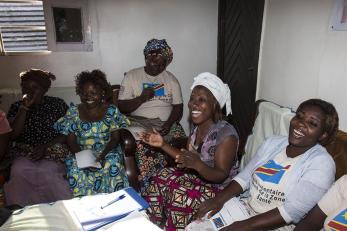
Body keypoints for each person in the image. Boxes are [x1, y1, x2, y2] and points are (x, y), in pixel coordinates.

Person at [190, 98, 339, 231]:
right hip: (245, 208)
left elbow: (290, 212)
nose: (300, 124)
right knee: (195, 225)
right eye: (299, 116)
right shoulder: (274, 143)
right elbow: (245, 177)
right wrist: (218, 200)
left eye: (312, 123)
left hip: (274, 225)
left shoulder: (322, 164)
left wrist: (241, 226)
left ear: (323, 135)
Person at [140, 72, 239, 230]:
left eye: (202, 100)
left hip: (220, 189)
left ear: (214, 105)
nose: (194, 104)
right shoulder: (196, 126)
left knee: (178, 195)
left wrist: (198, 165)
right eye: (192, 99)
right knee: (160, 177)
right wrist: (162, 144)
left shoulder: (226, 134)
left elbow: (221, 174)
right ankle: (153, 224)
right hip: (198, 178)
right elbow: (186, 158)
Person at [117, 38, 185, 190]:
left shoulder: (171, 79)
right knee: (144, 147)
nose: (157, 67)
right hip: (138, 123)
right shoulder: (132, 76)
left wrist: (168, 124)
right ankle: (148, 187)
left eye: (162, 64)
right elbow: (121, 107)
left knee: (180, 141)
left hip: (164, 124)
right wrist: (141, 98)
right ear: (147, 57)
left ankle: (173, 184)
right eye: (154, 62)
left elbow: (178, 108)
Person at [54, 70, 130, 197]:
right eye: (84, 93)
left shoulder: (111, 110)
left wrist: (102, 155)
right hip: (80, 151)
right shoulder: (73, 112)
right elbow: (71, 140)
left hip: (107, 150)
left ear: (103, 93)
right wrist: (85, 158)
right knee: (75, 169)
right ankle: (86, 208)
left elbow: (115, 139)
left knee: (112, 165)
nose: (88, 97)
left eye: (93, 93)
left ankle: (114, 203)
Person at [4, 69, 72, 206]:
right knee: (18, 171)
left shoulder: (57, 105)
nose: (29, 91)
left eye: (34, 88)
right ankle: (19, 212)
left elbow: (66, 133)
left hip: (53, 150)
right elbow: (13, 135)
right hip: (24, 152)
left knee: (48, 172)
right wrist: (24, 109)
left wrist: (45, 147)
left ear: (44, 89)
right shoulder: (16, 106)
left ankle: (59, 210)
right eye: (25, 88)